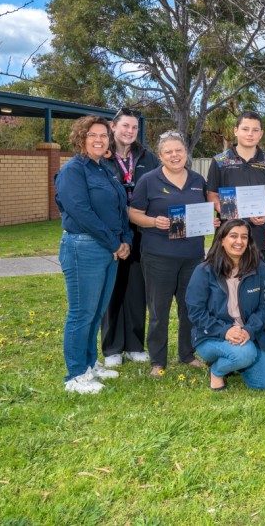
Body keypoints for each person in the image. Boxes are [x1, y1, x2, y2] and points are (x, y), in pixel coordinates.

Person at [55, 116, 132, 394]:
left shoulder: (105, 170)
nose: (99, 139)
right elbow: (81, 212)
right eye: (92, 135)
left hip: (109, 248)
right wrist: (114, 242)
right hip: (83, 247)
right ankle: (75, 375)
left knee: (97, 311)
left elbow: (121, 208)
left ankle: (90, 364)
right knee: (81, 313)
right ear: (81, 138)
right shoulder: (73, 170)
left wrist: (125, 240)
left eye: (103, 135)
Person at [128, 131, 211, 377]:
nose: (175, 156)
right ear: (161, 156)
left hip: (192, 256)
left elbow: (204, 212)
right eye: (168, 152)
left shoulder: (198, 180)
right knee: (158, 309)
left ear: (186, 153)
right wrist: (154, 222)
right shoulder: (148, 180)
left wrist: (210, 222)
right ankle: (158, 360)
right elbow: (134, 214)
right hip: (158, 255)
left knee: (190, 307)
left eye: (179, 151)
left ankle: (187, 354)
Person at [185, 219, 265, 391]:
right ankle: (217, 370)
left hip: (249, 333)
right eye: (233, 236)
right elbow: (195, 311)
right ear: (222, 240)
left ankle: (238, 362)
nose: (239, 241)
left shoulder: (258, 267)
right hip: (212, 336)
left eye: (244, 237)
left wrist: (248, 330)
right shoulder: (204, 270)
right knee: (246, 353)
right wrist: (225, 331)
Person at [101, 108, 160, 367]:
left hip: (141, 231)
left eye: (134, 127)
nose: (129, 131)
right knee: (112, 289)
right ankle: (113, 347)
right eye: (125, 126)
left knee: (137, 289)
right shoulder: (101, 156)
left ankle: (135, 344)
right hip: (111, 231)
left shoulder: (147, 157)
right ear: (113, 127)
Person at [206, 111, 265, 273]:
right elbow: (212, 195)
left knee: (259, 285)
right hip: (229, 233)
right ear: (236, 131)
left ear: (261, 134)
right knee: (225, 285)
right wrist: (226, 212)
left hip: (261, 235)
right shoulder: (220, 161)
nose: (250, 134)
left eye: (255, 130)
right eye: (245, 129)